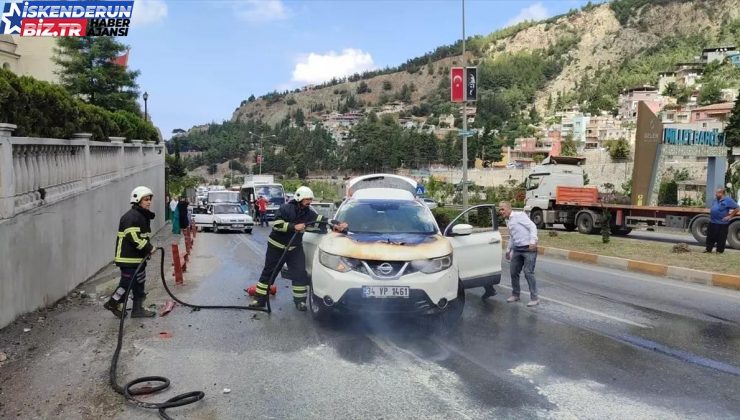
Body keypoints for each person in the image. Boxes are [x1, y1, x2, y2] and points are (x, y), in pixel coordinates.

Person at [248, 186, 348, 311]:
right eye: (307, 200)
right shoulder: (285, 209)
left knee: (300, 274)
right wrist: (294, 226)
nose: (309, 202)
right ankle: (259, 300)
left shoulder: (307, 212)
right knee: (269, 273)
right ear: (299, 198)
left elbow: (321, 219)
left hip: (295, 248)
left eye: (310, 200)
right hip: (276, 247)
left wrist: (337, 223)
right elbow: (277, 224)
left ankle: (300, 302)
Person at [104, 186, 157, 318]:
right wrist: (149, 248)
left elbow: (141, 236)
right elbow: (133, 237)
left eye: (149, 199)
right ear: (137, 200)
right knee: (127, 284)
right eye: (146, 199)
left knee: (139, 283)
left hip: (138, 259)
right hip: (128, 259)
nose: (149, 202)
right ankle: (114, 302)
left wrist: (146, 251)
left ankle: (137, 310)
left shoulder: (141, 216)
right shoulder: (131, 217)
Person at [499, 201, 540, 307]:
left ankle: (534, 298)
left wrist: (533, 241)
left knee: (528, 272)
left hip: (529, 249)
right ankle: (516, 294)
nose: (501, 211)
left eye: (502, 209)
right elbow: (512, 237)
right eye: (500, 209)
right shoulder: (508, 221)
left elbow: (532, 227)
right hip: (517, 249)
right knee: (513, 272)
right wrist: (508, 250)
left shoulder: (519, 216)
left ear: (509, 208)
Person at [705, 187, 739, 254]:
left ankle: (719, 251)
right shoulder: (715, 200)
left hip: (722, 223)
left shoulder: (728, 200)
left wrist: (730, 216)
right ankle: (708, 249)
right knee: (710, 237)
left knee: (721, 238)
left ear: (721, 193)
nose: (715, 194)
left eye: (717, 193)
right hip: (712, 222)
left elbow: (737, 208)